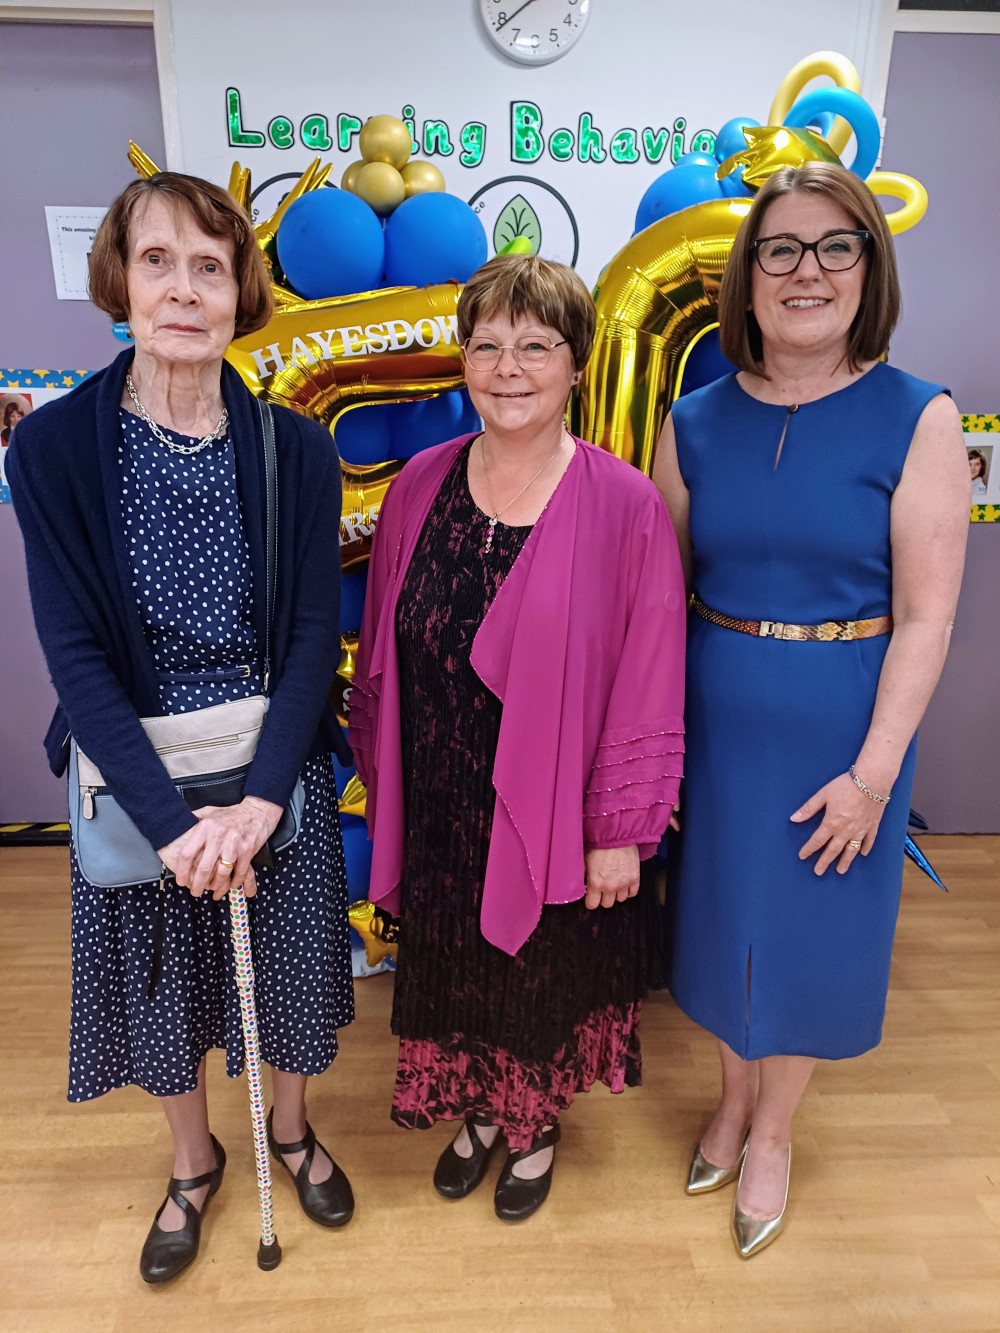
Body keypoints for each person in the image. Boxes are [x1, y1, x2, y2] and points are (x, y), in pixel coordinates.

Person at [7, 172, 356, 1283]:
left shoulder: (294, 449)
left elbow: (312, 636)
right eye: (157, 261)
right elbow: (75, 655)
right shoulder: (52, 450)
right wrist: (172, 828)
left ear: (240, 290)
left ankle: (290, 1129)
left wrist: (255, 805)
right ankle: (196, 1162)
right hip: (134, 781)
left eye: (210, 266)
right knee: (161, 989)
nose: (183, 288)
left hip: (269, 765)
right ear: (120, 277)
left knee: (292, 983)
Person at [653, 161, 969, 1258]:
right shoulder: (690, 423)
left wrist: (876, 770)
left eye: (838, 246)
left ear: (868, 269)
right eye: (780, 248)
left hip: (847, 731)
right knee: (728, 929)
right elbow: (660, 599)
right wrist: (658, 752)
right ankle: (730, 1100)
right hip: (715, 727)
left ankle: (773, 1128)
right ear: (745, 280)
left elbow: (927, 618)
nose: (806, 270)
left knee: (802, 945)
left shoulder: (917, 417)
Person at [350, 254, 686, 1222]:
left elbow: (650, 671)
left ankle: (531, 1126)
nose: (508, 366)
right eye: (487, 344)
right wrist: (387, 779)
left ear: (575, 364)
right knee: (457, 966)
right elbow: (381, 645)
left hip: (562, 801)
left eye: (535, 345)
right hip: (443, 788)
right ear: (463, 358)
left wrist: (617, 826)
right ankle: (478, 1113)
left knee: (539, 976)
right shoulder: (418, 485)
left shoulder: (624, 505)